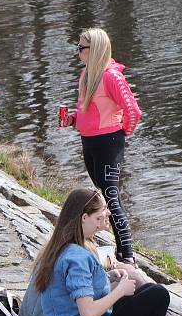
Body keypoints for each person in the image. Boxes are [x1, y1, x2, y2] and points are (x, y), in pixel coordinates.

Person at [32, 187, 171, 316]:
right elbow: (87, 312)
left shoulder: (67, 247)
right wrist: (120, 291)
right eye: (100, 213)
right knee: (158, 294)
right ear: (84, 218)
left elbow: (80, 293)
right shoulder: (77, 257)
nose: (108, 213)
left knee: (147, 291)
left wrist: (110, 277)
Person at [61, 27, 142, 264]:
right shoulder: (87, 75)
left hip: (109, 143)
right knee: (101, 196)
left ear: (94, 49)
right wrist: (73, 120)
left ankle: (127, 254)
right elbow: (87, 111)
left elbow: (133, 112)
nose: (78, 52)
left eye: (81, 48)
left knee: (110, 195)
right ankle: (103, 244)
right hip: (89, 141)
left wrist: (121, 134)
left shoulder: (111, 76)